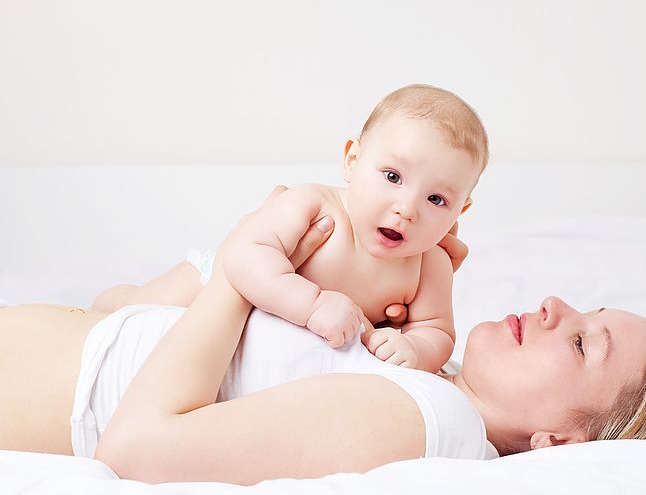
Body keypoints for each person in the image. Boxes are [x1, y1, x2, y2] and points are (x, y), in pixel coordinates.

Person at [0, 208, 646, 485]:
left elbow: (138, 451)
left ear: (559, 442)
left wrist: (243, 275)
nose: (553, 305)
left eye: (580, 342)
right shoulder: (418, 369)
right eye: (583, 308)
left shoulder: (428, 419)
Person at [91, 84, 490, 374]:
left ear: (461, 210)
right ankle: (102, 304)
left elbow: (436, 331)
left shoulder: (429, 264)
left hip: (252, 347)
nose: (407, 209)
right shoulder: (315, 205)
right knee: (133, 312)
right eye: (392, 176)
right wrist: (313, 306)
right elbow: (244, 255)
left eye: (436, 200)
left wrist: (414, 349)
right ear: (352, 160)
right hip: (209, 288)